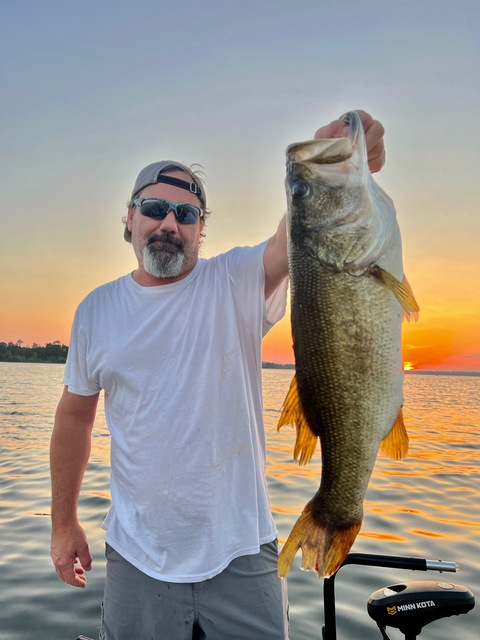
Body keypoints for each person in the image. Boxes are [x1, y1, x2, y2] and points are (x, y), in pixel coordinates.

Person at [50, 110, 385, 640]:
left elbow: (294, 237)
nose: (169, 223)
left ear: (202, 229)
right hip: (138, 557)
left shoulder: (232, 279)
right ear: (130, 220)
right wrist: (63, 523)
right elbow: (74, 419)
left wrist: (342, 158)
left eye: (186, 213)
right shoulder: (96, 310)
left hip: (242, 549)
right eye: (155, 208)